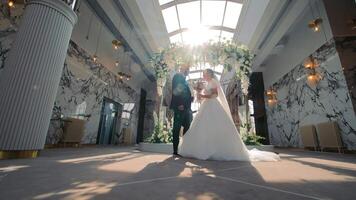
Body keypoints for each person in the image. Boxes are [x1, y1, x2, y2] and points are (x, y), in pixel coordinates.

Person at [179, 69, 280, 161]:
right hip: (206, 106)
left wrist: (203, 95)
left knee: (213, 125)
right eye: (203, 74)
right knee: (203, 126)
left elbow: (215, 95)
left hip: (213, 105)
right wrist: (199, 94)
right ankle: (204, 148)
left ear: (209, 74)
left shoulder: (213, 82)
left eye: (205, 74)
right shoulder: (208, 83)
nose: (203, 76)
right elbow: (204, 97)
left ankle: (214, 150)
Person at [170, 65, 193, 156]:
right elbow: (176, 90)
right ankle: (175, 150)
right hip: (180, 108)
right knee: (177, 128)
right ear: (182, 68)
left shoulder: (185, 80)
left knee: (187, 129)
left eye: (189, 69)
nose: (188, 71)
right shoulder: (177, 76)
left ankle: (183, 149)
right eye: (187, 69)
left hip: (187, 109)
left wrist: (191, 99)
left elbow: (185, 93)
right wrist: (179, 104)